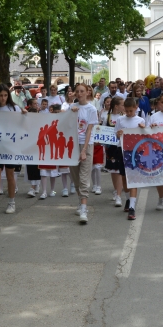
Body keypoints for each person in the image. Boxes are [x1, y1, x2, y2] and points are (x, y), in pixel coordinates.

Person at [0, 85, 27, 219]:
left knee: (10, 176)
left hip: (10, 148)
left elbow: (21, 125)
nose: (3, 98)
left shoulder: (14, 108)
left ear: (8, 96)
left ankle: (11, 202)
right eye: (0, 95)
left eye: (5, 95)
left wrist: (24, 115)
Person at [69, 84, 99, 224]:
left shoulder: (91, 109)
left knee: (84, 176)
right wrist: (71, 112)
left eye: (82, 91)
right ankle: (80, 202)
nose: (80, 94)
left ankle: (84, 208)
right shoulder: (72, 107)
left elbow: (89, 130)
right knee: (75, 177)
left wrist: (84, 150)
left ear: (87, 93)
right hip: (72, 145)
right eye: (77, 91)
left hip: (86, 144)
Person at [115, 97, 147, 220]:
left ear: (135, 108)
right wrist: (118, 134)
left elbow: (146, 135)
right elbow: (116, 134)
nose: (128, 113)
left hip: (135, 151)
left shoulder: (140, 120)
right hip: (122, 150)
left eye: (130, 111)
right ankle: (128, 199)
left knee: (133, 178)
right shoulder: (120, 119)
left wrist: (143, 128)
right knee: (124, 177)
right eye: (126, 111)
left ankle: (133, 206)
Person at [104, 97, 125, 205]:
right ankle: (116, 190)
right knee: (113, 170)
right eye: (122, 105)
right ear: (116, 106)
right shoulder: (107, 116)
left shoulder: (123, 117)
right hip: (110, 147)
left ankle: (118, 194)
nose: (124, 107)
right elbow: (102, 130)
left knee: (119, 170)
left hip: (120, 146)